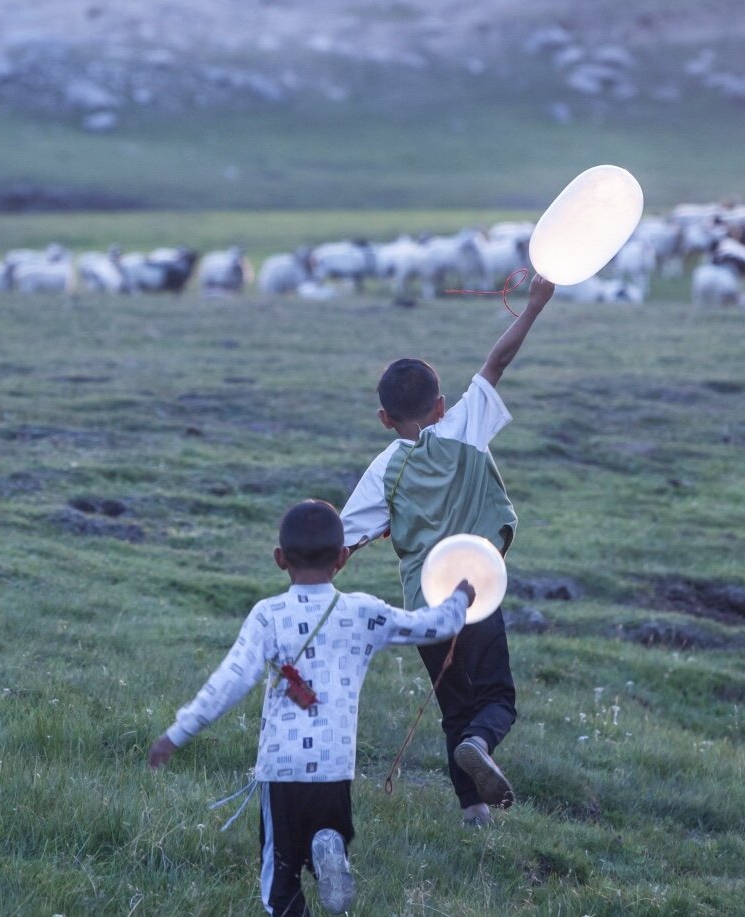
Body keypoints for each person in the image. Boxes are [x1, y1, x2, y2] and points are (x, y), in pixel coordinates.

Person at [147, 499, 474, 917]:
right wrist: (459, 600)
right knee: (325, 834)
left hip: (281, 767)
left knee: (279, 879)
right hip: (334, 763)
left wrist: (177, 733)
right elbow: (431, 626)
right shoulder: (363, 611)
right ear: (342, 558)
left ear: (280, 559)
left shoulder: (269, 615)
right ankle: (329, 846)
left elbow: (230, 681)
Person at [339, 274, 555, 827]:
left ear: (385, 420)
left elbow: (339, 544)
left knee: (452, 706)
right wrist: (533, 307)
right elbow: (498, 362)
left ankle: (473, 812)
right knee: (496, 697)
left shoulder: (382, 469)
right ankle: (481, 744)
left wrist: (299, 560)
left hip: (423, 606)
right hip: (475, 592)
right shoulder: (462, 428)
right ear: (439, 405)